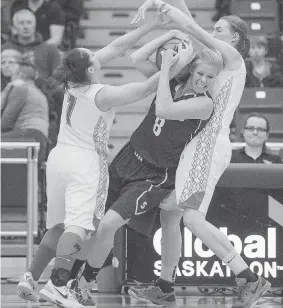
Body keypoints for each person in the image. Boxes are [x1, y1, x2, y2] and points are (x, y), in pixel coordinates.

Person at [16, 14, 185, 307]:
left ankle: (30, 277)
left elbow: (118, 46)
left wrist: (153, 28)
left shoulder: (70, 81)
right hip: (84, 162)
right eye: (94, 57)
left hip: (58, 159)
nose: (99, 56)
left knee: (56, 225)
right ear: (92, 68)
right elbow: (146, 89)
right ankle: (58, 285)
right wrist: (174, 64)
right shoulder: (101, 95)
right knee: (79, 226)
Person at [128, 1, 271, 307]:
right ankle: (165, 285)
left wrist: (163, 7)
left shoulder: (232, 59)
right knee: (171, 217)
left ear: (234, 38)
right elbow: (191, 23)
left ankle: (248, 275)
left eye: (219, 30)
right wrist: (162, 3)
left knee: (192, 218)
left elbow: (191, 28)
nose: (212, 32)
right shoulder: (215, 60)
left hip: (208, 144)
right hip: (198, 144)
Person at [73, 29, 223, 305]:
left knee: (109, 225)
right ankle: (74, 277)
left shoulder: (204, 104)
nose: (203, 80)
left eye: (210, 77)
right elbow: (137, 57)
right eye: (200, 73)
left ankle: (85, 283)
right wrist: (171, 34)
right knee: (93, 222)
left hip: (155, 174)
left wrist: (167, 66)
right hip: (128, 156)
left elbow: (164, 109)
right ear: (191, 70)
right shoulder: (175, 80)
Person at [1, 61, 49, 163]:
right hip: (41, 140)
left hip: (28, 136)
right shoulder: (39, 93)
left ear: (20, 75)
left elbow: (5, 123)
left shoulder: (20, 87)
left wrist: (6, 90)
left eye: (13, 74)